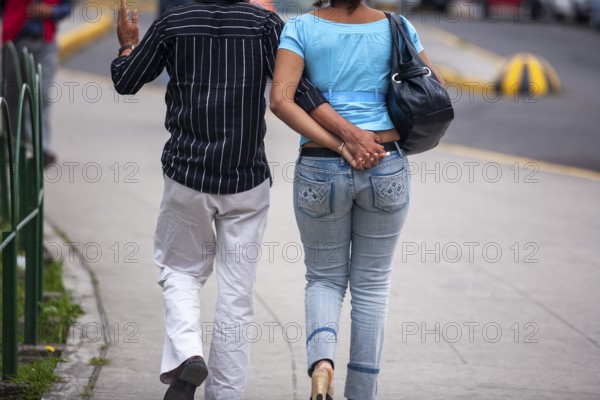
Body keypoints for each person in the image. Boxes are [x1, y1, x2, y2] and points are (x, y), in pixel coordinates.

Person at [111, 0, 383, 399]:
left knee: (180, 271)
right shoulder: (264, 24)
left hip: (188, 176)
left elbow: (126, 81)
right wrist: (349, 136)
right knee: (237, 296)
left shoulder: (175, 21)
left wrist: (127, 46)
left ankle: (187, 354)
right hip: (246, 181)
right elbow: (299, 93)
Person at [270, 0, 444, 398]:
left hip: (319, 165)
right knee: (372, 285)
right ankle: (361, 392)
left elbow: (281, 100)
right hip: (385, 162)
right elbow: (432, 87)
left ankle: (322, 366)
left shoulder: (301, 28)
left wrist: (341, 143)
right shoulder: (396, 26)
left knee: (323, 278)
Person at [1, 0, 72, 166]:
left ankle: (42, 148)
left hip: (45, 43)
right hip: (15, 41)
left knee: (42, 95)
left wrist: (51, 12)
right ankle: (14, 145)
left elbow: (67, 6)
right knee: (12, 97)